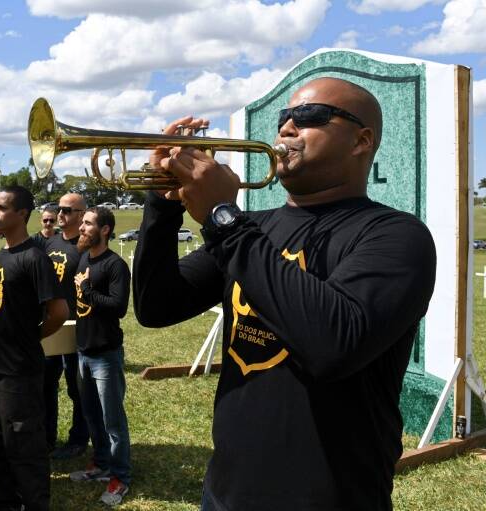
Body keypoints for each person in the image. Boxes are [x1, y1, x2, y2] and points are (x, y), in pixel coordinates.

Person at [133, 77, 437, 510]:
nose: (287, 128)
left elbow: (332, 344)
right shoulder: (254, 228)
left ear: (361, 140)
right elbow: (156, 306)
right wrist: (163, 206)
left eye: (309, 116)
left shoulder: (397, 236)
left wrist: (223, 217)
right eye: (284, 117)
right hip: (225, 490)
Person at [0, 185, 68, 511]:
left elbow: (59, 312)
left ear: (22, 214)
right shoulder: (1, 255)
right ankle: (5, 501)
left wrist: (32, 336)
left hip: (18, 372)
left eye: (1, 207)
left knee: (24, 447)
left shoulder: (34, 258)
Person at [70, 206, 132, 507]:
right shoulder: (83, 258)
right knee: (92, 415)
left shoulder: (115, 265)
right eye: (82, 223)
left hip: (105, 354)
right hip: (83, 351)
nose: (82, 227)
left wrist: (87, 290)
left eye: (88, 223)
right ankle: (101, 464)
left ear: (105, 229)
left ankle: (121, 476)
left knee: (113, 421)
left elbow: (118, 306)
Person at [35, 193, 89, 459]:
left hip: (75, 326)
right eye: (59, 209)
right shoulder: (51, 242)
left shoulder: (85, 246)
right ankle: (46, 437)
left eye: (68, 209)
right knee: (45, 383)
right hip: (51, 323)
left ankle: (79, 439)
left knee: (76, 386)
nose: (61, 213)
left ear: (81, 214)